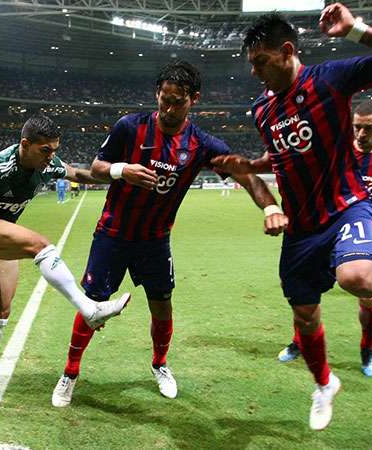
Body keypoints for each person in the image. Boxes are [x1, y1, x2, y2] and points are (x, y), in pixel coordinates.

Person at [211, 7, 372, 430]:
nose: (256, 72)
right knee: (305, 316)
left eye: (261, 62)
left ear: (287, 52)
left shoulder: (329, 79)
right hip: (300, 227)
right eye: (252, 64)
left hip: (346, 205)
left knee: (358, 278)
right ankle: (324, 384)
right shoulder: (263, 111)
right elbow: (283, 158)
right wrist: (250, 164)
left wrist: (355, 30)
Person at [51, 60, 287, 408]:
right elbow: (97, 168)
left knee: (162, 306)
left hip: (155, 240)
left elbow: (244, 174)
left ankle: (160, 365)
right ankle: (70, 374)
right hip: (112, 235)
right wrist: (121, 170)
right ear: (157, 94)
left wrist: (270, 207)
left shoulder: (202, 144)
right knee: (92, 306)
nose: (169, 107)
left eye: (178, 101)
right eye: (164, 99)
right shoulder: (130, 127)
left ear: (194, 99)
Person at [0, 115, 131, 407]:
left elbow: (78, 175)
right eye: (45, 150)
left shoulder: (48, 163)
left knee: (0, 312)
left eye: (54, 150)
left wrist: (120, 173)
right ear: (25, 144)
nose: (51, 157)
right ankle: (89, 308)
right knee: (40, 245)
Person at [277, 101, 372, 378]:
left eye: (368, 128)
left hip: (365, 233)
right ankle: (299, 342)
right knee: (305, 292)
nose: (361, 134)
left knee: (368, 297)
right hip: (323, 231)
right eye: (357, 127)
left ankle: (367, 350)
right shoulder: (335, 150)